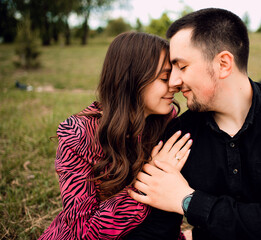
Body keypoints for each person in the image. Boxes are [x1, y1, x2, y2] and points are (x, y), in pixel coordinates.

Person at [128, 8, 261, 240]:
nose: (174, 82)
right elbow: (158, 230)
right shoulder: (179, 135)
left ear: (224, 64)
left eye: (183, 66)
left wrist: (187, 200)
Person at [39, 32, 192, 239]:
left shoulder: (165, 121)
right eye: (165, 77)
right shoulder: (78, 135)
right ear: (133, 79)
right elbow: (83, 232)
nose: (175, 83)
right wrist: (151, 178)